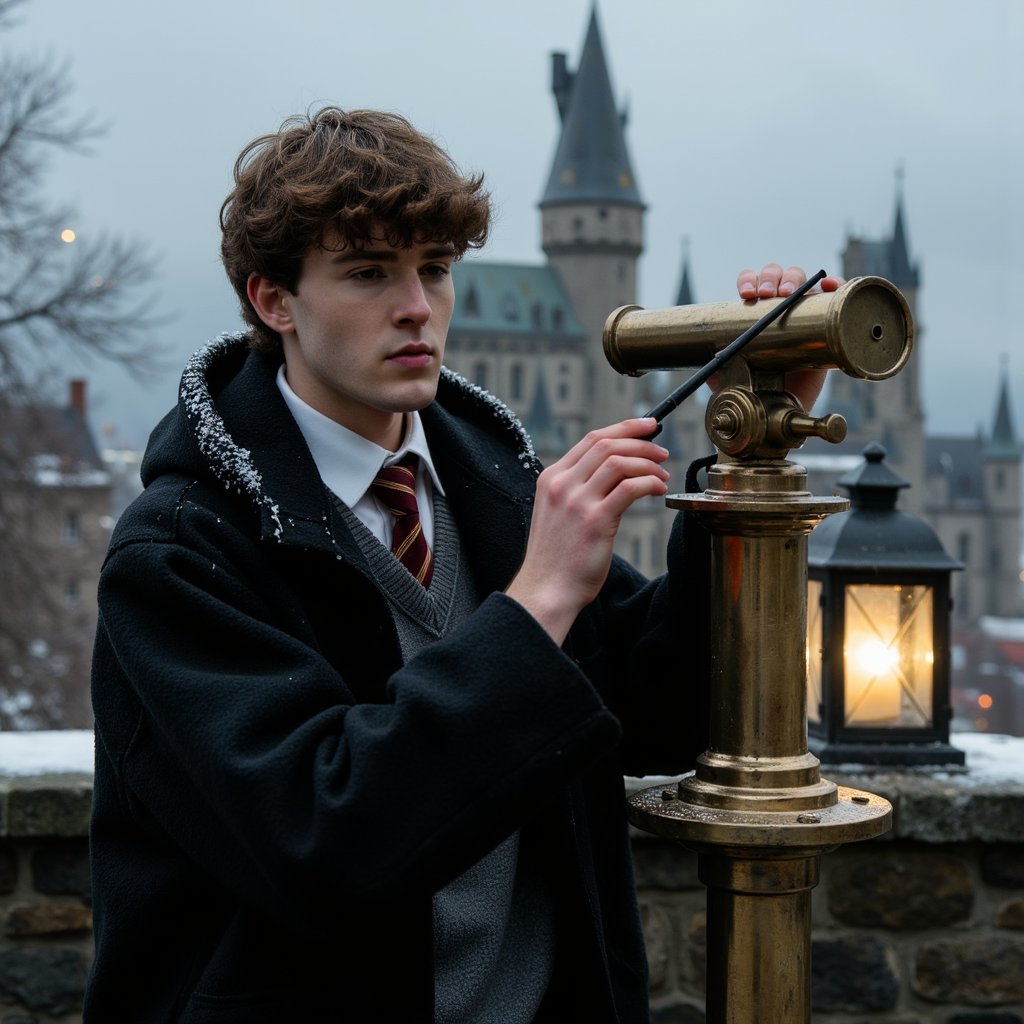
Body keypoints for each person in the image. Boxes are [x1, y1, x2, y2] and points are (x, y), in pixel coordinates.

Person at [85, 106, 836, 1022]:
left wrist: (746, 454)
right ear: (272, 300)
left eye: (435, 270)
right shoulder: (182, 552)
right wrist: (537, 600)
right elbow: (323, 842)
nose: (417, 307)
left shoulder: (495, 488)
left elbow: (663, 709)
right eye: (367, 273)